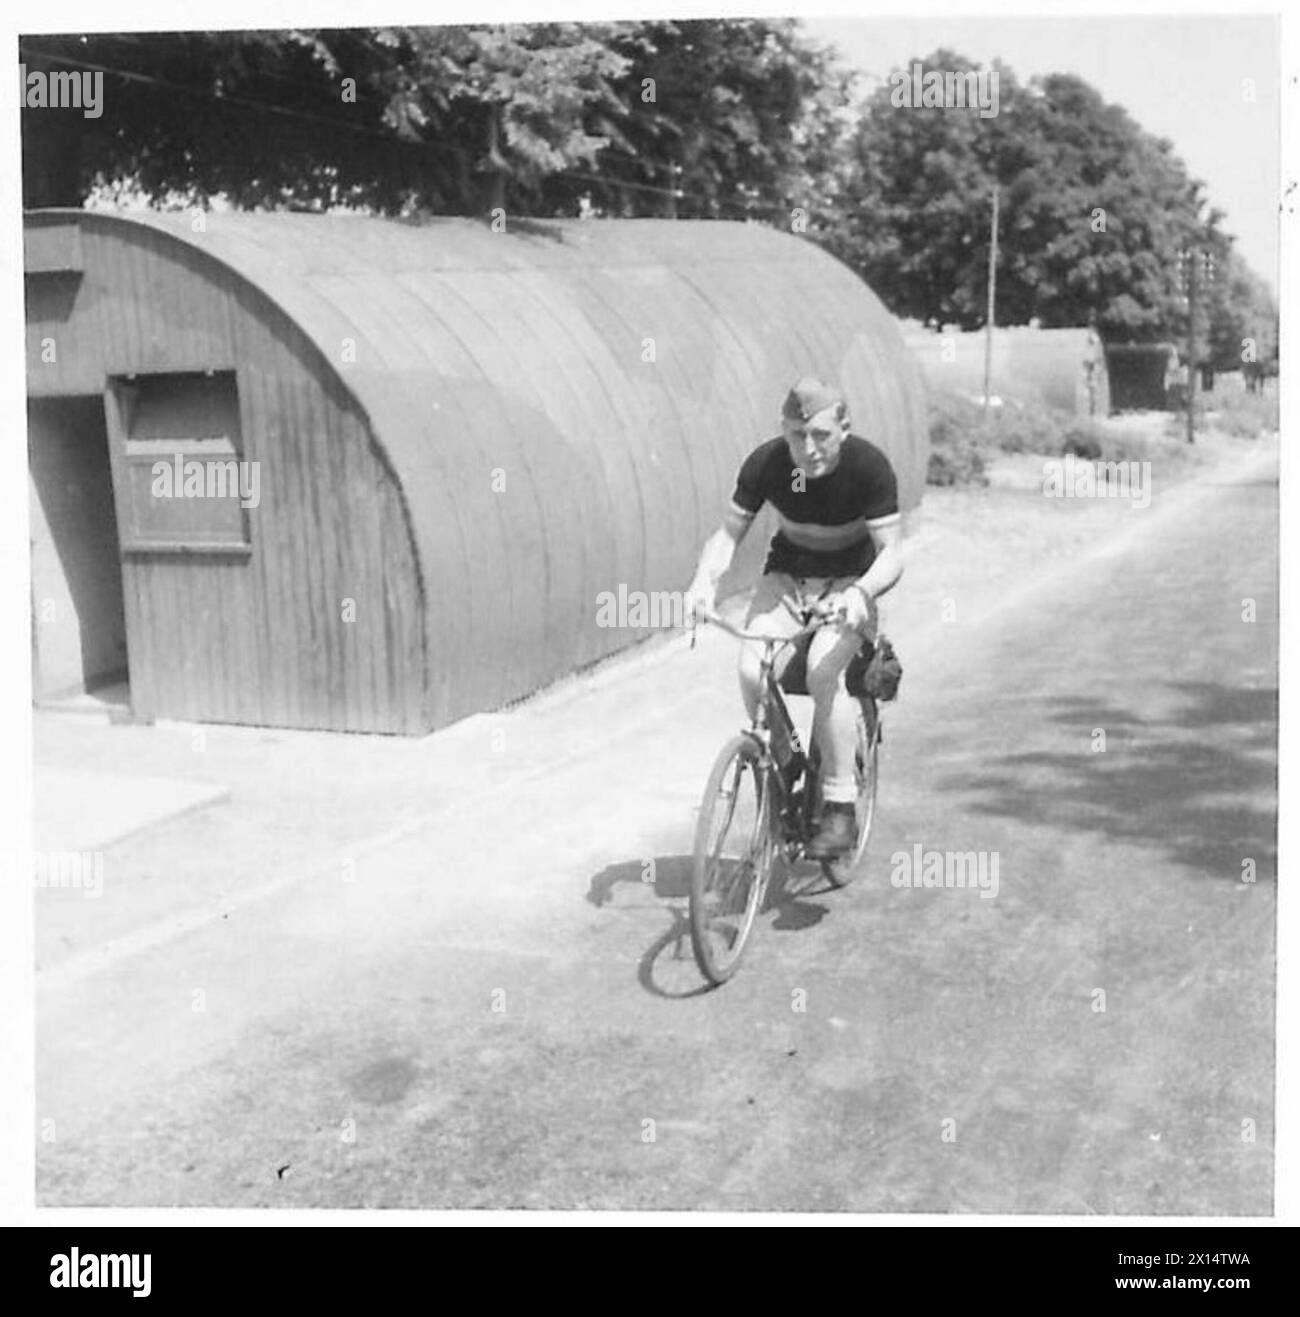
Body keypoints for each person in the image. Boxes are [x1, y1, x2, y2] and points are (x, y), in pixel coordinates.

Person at [687, 377, 904, 857]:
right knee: (751, 669)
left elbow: (892, 554)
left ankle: (840, 805)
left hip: (849, 585)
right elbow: (727, 536)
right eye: (795, 436)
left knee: (824, 670)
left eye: (821, 435)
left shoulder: (868, 468)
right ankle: (784, 769)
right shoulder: (767, 464)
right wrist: (704, 582)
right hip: (787, 579)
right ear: (783, 432)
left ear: (843, 428)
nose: (808, 449)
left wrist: (861, 593)